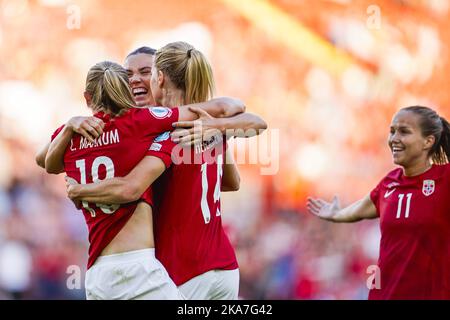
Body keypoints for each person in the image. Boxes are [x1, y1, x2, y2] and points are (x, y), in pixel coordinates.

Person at [62, 41, 267, 300]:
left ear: (160, 77)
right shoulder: (204, 120)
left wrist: (80, 189)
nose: (135, 80)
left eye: (145, 72)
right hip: (223, 265)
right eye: (128, 75)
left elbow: (130, 188)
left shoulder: (158, 130)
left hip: (181, 268)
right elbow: (230, 180)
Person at [307, 106, 450, 299]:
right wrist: (336, 214)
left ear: (428, 141)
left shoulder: (445, 178)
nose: (394, 139)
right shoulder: (389, 183)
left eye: (404, 132)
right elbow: (360, 208)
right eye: (392, 131)